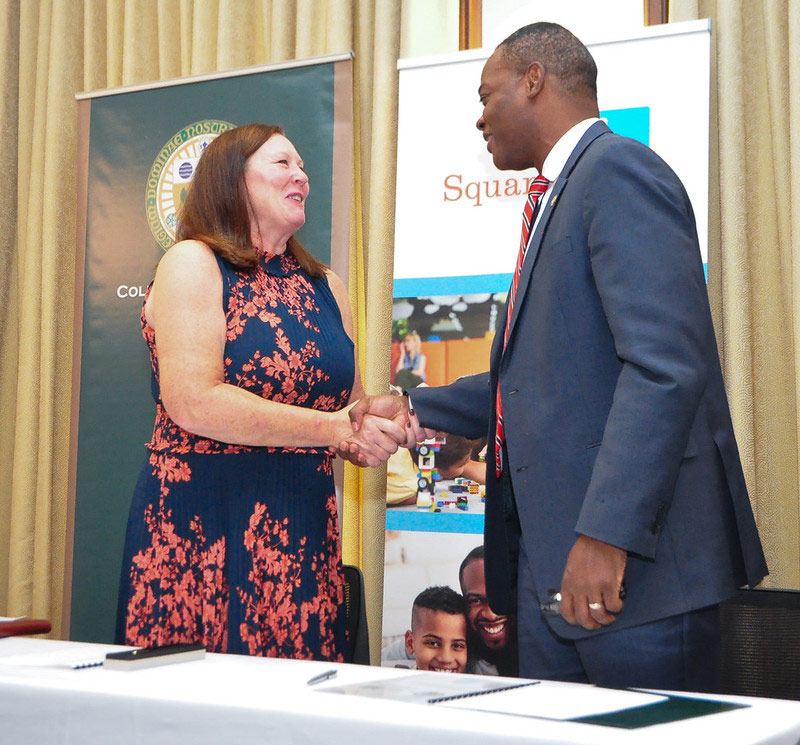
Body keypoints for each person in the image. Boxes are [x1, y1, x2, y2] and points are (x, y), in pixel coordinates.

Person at [343, 23, 768, 691]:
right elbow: (537, 382)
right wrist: (414, 404)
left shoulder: (619, 171)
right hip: (551, 574)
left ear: (534, 79)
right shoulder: (559, 195)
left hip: (631, 575)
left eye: (488, 95)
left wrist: (606, 536)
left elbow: (664, 368)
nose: (480, 117)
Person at [115, 123, 406, 659]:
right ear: (232, 180)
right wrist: (335, 427)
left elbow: (347, 416)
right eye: (282, 164)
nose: (301, 175)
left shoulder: (324, 284)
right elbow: (195, 401)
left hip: (302, 533)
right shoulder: (193, 263)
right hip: (203, 530)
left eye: (303, 166)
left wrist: (372, 425)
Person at [459, 546, 517, 676]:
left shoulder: (544, 645)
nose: (491, 615)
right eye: (476, 601)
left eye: (501, 597)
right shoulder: (454, 643)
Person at [403, 586, 468, 673]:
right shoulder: (395, 684)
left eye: (457, 646)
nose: (446, 658)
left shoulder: (478, 685)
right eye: (433, 643)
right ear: (410, 643)